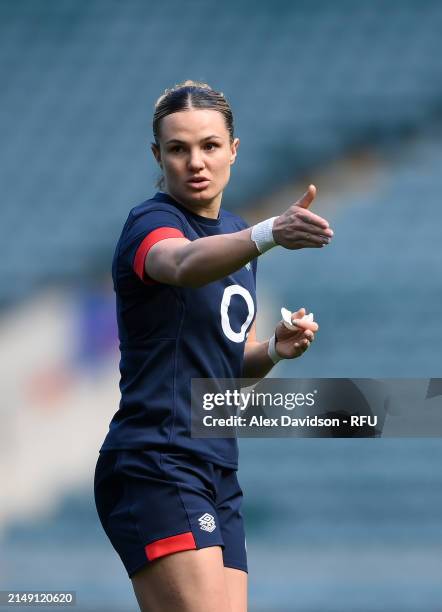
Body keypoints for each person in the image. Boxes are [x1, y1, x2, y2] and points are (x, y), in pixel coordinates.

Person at [94, 80, 334, 612]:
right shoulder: (151, 224)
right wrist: (270, 232)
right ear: (158, 156)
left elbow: (223, 371)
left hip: (215, 468)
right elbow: (179, 263)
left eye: (209, 145)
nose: (195, 161)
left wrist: (273, 350)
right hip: (156, 461)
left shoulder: (235, 236)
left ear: (234, 150)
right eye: (177, 149)